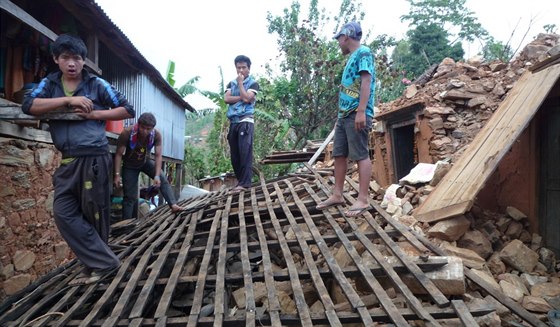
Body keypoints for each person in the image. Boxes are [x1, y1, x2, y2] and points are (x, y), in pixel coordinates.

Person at [22, 34, 134, 284]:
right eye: (65, 58)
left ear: (84, 61)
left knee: (95, 213)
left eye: (76, 58)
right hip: (68, 159)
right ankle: (103, 262)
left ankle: (98, 265)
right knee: (63, 212)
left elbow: (127, 109)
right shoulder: (49, 84)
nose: (71, 63)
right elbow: (27, 105)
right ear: (56, 59)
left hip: (93, 157)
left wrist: (95, 115)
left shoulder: (97, 84)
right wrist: (68, 100)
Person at [316, 22, 375, 217]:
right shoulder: (352, 57)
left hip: (356, 113)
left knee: (360, 153)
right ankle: (338, 194)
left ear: (346, 37)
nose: (338, 43)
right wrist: (339, 117)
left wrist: (361, 111)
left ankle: (363, 199)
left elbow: (366, 81)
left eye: (339, 39)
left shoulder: (363, 52)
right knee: (339, 154)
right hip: (344, 114)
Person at [113, 112, 185, 219]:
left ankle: (173, 205)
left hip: (145, 162)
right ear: (138, 124)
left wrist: (156, 175)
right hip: (130, 165)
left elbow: (158, 156)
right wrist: (117, 175)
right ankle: (126, 224)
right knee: (129, 197)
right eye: (142, 127)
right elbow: (118, 155)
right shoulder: (127, 133)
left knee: (162, 178)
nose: (145, 131)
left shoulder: (156, 135)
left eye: (148, 129)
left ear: (152, 128)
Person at [224, 55, 260, 193]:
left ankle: (245, 184)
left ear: (248, 69)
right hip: (233, 121)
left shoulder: (253, 83)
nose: (241, 70)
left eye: (244, 67)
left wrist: (240, 84)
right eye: (238, 67)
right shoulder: (230, 84)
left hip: (245, 121)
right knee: (235, 155)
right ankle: (240, 182)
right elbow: (227, 99)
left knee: (245, 152)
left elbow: (248, 98)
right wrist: (242, 97)